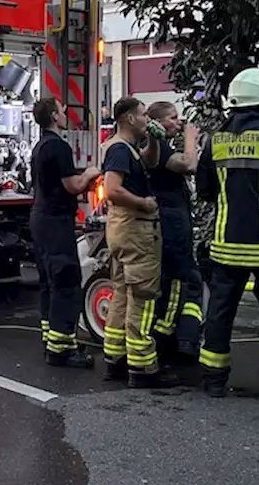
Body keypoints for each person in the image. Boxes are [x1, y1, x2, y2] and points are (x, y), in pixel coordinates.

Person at [195, 68, 259, 404]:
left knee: (220, 314)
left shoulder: (218, 141)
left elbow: (205, 190)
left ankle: (213, 381)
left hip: (227, 247)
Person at [100, 97, 178, 388]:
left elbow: (150, 160)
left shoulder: (126, 149)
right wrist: (144, 203)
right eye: (144, 114)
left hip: (123, 231)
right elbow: (112, 189)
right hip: (136, 230)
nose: (148, 119)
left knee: (121, 293)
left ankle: (115, 358)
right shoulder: (121, 149)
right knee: (142, 297)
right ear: (130, 119)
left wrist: (156, 140)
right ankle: (143, 367)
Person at [30, 97, 102, 367]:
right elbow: (72, 186)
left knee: (49, 282)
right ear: (54, 116)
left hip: (41, 219)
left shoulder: (40, 147)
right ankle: (62, 350)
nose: (65, 113)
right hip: (56, 221)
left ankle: (52, 340)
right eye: (62, 110)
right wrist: (91, 174)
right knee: (66, 281)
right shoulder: (58, 147)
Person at [145, 101, 203, 360]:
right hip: (171, 226)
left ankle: (181, 337)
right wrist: (191, 138)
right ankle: (168, 340)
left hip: (172, 222)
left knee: (182, 282)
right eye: (173, 118)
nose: (178, 123)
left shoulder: (158, 147)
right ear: (156, 122)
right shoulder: (158, 150)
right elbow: (189, 165)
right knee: (181, 282)